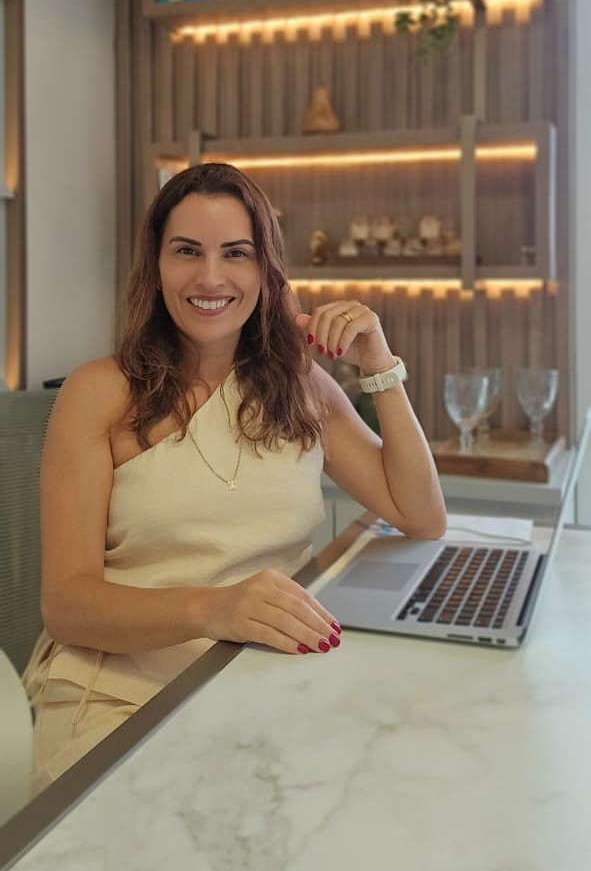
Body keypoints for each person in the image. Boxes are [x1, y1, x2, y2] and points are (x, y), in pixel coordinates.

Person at [24, 162, 446, 789]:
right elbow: (66, 606)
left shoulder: (300, 386)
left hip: (263, 682)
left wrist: (378, 362)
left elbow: (422, 515)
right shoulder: (99, 392)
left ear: (265, 269)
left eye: (236, 253)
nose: (210, 277)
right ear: (156, 265)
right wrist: (216, 608)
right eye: (186, 251)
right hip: (117, 697)